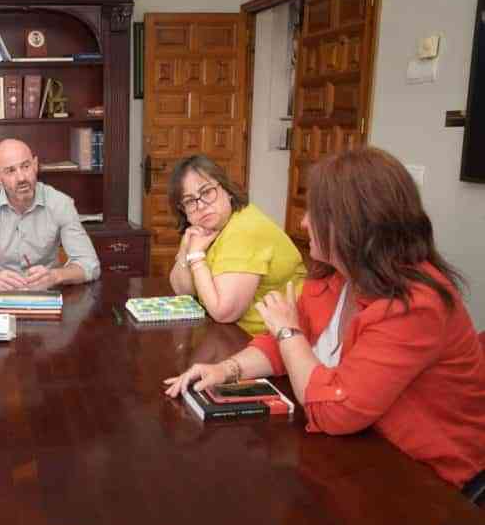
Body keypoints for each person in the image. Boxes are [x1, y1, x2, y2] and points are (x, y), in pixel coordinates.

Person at [164, 147, 485, 489]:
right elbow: (278, 346)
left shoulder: (416, 305)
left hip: (429, 478)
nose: (302, 223)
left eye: (314, 212)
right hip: (362, 452)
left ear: (354, 223)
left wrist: (289, 332)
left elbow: (332, 411)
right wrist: (224, 370)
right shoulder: (335, 275)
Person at [167, 155, 306, 335]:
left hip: (278, 342)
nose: (200, 205)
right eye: (189, 201)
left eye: (207, 192)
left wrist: (196, 257)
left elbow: (224, 312)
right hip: (237, 336)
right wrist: (185, 249)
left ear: (227, 190)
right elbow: (183, 290)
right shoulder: (206, 230)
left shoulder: (245, 228)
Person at [0, 138, 100, 291]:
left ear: (35, 165)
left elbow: (90, 265)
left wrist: (55, 276)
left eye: (26, 166)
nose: (22, 177)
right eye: (10, 171)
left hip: (47, 296)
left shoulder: (60, 204)